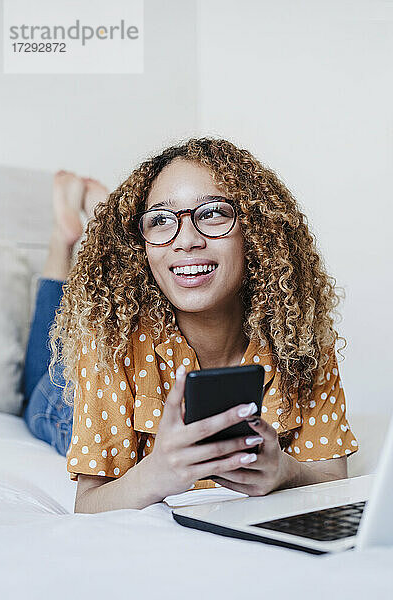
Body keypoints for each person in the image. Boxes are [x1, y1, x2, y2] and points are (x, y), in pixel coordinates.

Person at [48, 137, 359, 514]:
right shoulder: (107, 337)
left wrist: (286, 472)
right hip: (60, 397)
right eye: (161, 220)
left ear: (256, 233)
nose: (187, 241)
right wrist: (156, 473)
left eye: (212, 213)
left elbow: (331, 476)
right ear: (140, 247)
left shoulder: (297, 332)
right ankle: (62, 239)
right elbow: (89, 505)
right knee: (44, 366)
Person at [22, 171, 109, 456]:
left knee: (41, 386)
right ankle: (101, 236)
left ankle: (63, 239)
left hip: (75, 382)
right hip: (88, 379)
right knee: (46, 381)